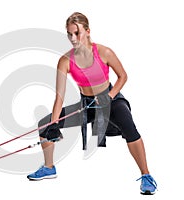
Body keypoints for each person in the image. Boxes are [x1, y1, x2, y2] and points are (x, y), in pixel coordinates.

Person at [27, 12, 157, 195]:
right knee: (44, 125)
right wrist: (54, 124)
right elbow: (59, 97)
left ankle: (146, 176)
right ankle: (49, 167)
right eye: (69, 34)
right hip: (88, 105)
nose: (73, 38)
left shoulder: (104, 52)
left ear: (87, 31)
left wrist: (109, 96)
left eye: (76, 33)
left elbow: (123, 76)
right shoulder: (65, 61)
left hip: (111, 99)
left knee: (130, 129)